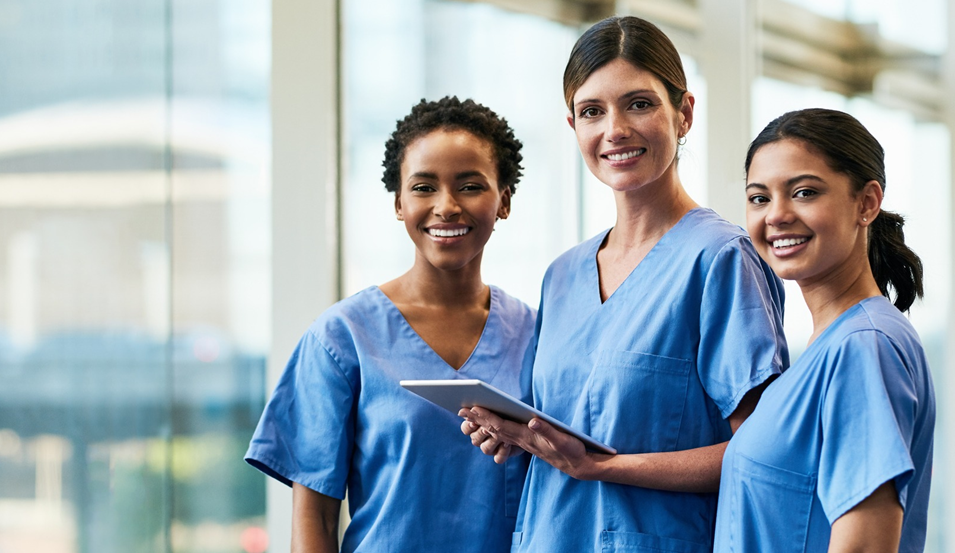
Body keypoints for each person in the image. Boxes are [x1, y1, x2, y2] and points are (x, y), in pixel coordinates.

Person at [459, 16, 789, 551]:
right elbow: (578, 425)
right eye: (593, 111)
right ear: (573, 128)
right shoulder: (563, 275)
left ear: (683, 115)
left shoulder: (720, 261)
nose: (615, 129)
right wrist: (520, 436)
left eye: (639, 104)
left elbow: (767, 452)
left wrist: (604, 467)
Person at [245, 96, 537, 553]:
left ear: (503, 201)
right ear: (399, 203)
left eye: (470, 186)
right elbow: (314, 518)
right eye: (423, 188)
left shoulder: (536, 335)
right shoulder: (343, 337)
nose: (446, 206)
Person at [714, 108, 934, 552]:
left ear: (867, 203)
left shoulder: (864, 347)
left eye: (804, 192)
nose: (776, 215)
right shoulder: (827, 348)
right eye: (760, 198)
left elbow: (866, 546)